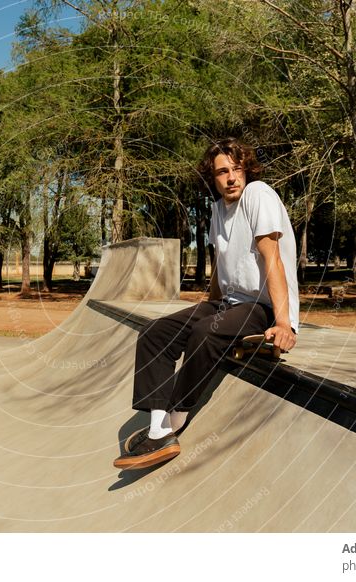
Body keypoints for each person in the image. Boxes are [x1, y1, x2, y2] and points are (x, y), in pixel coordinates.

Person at [113, 138, 299, 470]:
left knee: (205, 332)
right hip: (227, 303)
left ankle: (175, 418)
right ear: (212, 178)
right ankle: (157, 428)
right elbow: (222, 265)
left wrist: (284, 322)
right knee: (155, 332)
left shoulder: (259, 196)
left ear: (247, 170)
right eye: (223, 172)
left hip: (262, 307)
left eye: (237, 169)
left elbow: (273, 260)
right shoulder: (217, 210)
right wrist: (205, 304)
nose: (231, 178)